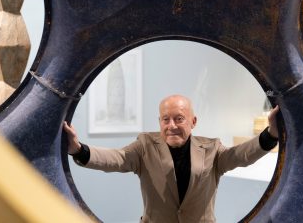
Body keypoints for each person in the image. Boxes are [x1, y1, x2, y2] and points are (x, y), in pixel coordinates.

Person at [63, 94, 280, 223]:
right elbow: (116, 158)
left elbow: (241, 155)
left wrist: (270, 135)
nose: (171, 126)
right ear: (159, 121)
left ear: (193, 121)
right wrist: (78, 149)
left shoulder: (212, 148)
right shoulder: (145, 145)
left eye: (179, 119)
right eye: (165, 119)